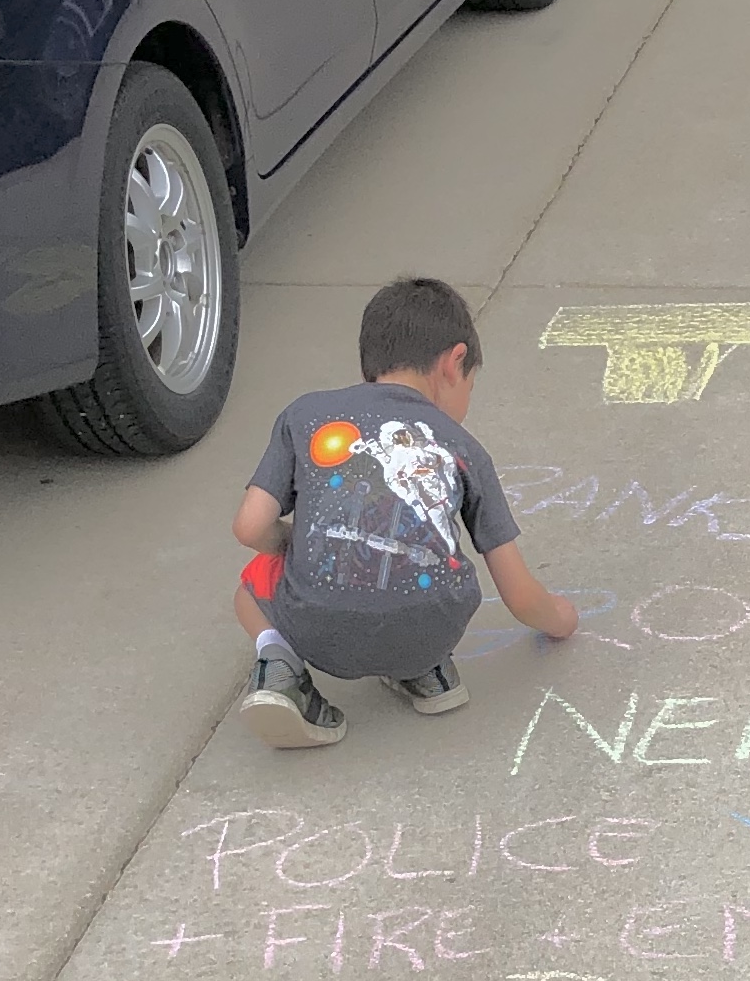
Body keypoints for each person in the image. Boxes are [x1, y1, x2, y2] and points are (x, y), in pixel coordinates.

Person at [229, 276, 577, 748]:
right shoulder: (465, 449)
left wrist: (291, 544)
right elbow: (517, 594)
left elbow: (248, 527)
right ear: (455, 363)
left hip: (319, 627)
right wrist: (561, 618)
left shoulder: (306, 414)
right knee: (424, 569)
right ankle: (426, 672)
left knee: (251, 585)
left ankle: (280, 671)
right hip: (432, 628)